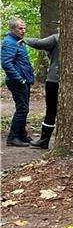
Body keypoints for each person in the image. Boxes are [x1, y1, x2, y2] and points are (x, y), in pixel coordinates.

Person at [23, 31, 60, 149]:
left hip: (54, 80)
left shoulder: (57, 38)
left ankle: (44, 140)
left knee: (51, 110)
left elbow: (39, 43)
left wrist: (25, 39)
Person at [2, 18, 34, 147]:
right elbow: (6, 63)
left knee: (24, 109)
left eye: (24, 28)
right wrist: (19, 79)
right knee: (22, 109)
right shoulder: (10, 43)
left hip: (24, 80)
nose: (23, 31)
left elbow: (20, 61)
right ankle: (13, 137)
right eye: (20, 28)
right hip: (17, 81)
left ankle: (22, 135)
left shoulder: (19, 42)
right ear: (12, 29)